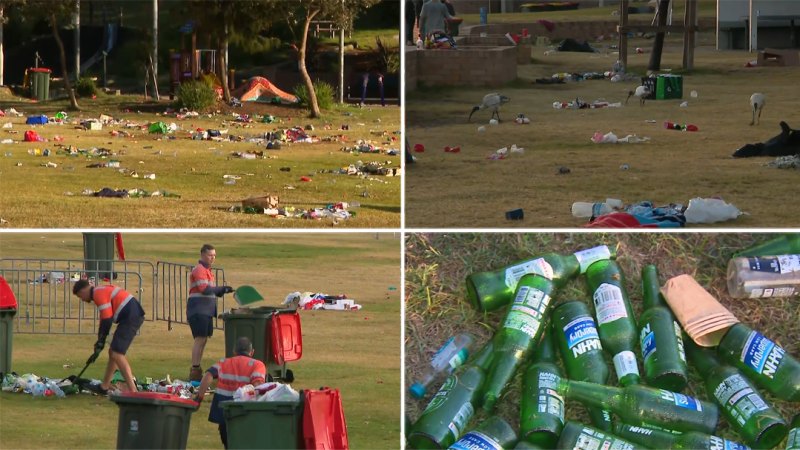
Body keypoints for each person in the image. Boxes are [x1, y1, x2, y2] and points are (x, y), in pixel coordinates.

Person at [72, 279, 145, 394]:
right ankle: (104, 386)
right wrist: (100, 340)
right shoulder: (99, 291)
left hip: (131, 317)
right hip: (130, 315)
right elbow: (104, 319)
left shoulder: (97, 294)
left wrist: (101, 340)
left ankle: (133, 391)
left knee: (117, 354)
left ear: (82, 291)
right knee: (113, 352)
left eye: (80, 296)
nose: (82, 299)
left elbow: (107, 319)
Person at [194, 337, 267, 449]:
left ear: (234, 351)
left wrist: (199, 397)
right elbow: (257, 384)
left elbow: (208, 375)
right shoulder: (257, 365)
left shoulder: (224, 362)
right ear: (252, 352)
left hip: (225, 414)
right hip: (245, 413)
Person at [188, 244, 234, 381]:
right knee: (199, 339)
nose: (213, 258)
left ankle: (196, 369)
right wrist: (221, 289)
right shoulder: (199, 270)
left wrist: (223, 290)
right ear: (202, 255)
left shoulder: (208, 270)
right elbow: (204, 289)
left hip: (206, 310)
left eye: (214, 255)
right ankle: (195, 369)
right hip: (198, 309)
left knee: (203, 339)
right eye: (210, 255)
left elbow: (211, 291)